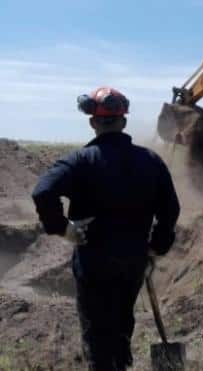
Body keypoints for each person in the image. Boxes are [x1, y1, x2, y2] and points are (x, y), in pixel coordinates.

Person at [32, 87, 180, 370]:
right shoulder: (151, 162)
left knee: (97, 334)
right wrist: (156, 247)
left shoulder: (80, 161)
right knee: (122, 323)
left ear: (93, 122)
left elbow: (43, 192)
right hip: (133, 262)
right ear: (123, 121)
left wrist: (63, 228)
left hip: (94, 262)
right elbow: (170, 210)